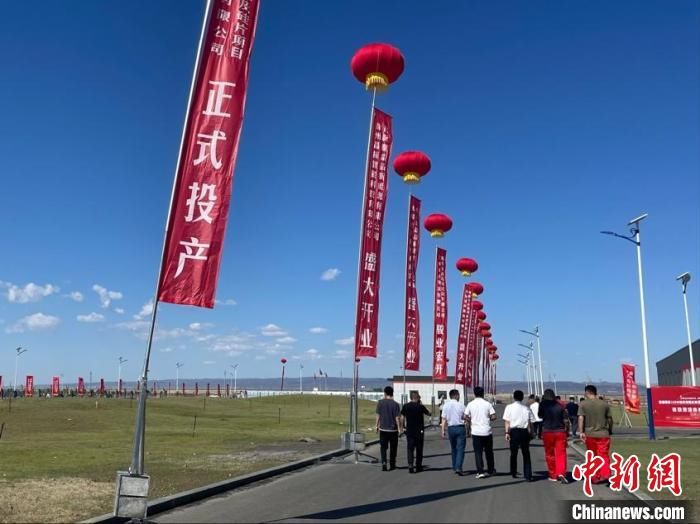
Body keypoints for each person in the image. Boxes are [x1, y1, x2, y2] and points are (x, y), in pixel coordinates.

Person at [578, 384, 613, 484]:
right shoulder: (604, 404)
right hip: (603, 433)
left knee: (592, 456)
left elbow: (581, 418)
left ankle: (595, 477)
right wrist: (610, 430)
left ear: (587, 392)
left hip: (590, 433)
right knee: (603, 454)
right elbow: (610, 419)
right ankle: (605, 473)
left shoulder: (583, 404)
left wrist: (581, 432)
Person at [538, 388, 570, 483]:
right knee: (561, 453)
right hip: (560, 431)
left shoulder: (543, 404)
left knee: (550, 454)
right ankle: (561, 473)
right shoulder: (561, 405)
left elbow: (540, 415)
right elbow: (566, 420)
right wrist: (567, 431)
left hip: (547, 431)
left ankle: (553, 474)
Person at [466, 386, 497, 478]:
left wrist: (471, 419)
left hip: (476, 432)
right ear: (483, 393)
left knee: (478, 452)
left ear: (475, 393)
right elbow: (494, 416)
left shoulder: (470, 404)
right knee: (489, 452)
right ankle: (491, 470)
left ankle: (480, 471)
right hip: (487, 431)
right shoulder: (487, 404)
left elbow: (465, 416)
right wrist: (488, 418)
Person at [503, 389, 534, 481]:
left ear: (514, 397)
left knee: (513, 453)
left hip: (514, 431)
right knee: (526, 454)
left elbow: (507, 421)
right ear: (522, 398)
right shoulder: (526, 408)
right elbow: (530, 422)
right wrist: (531, 433)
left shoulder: (509, 407)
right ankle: (528, 475)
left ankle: (513, 472)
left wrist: (507, 432)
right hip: (524, 432)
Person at [401, 391, 431, 474]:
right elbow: (429, 413)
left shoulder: (406, 406)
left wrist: (403, 427)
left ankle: (410, 464)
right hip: (419, 431)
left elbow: (402, 417)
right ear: (417, 398)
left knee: (410, 448)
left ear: (411, 397)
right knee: (419, 449)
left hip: (409, 430)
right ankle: (418, 466)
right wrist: (421, 404)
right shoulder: (420, 407)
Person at [441, 389, 467, 476]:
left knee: (453, 448)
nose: (459, 397)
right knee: (460, 448)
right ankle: (459, 466)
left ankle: (455, 466)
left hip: (451, 428)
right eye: (458, 395)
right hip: (460, 428)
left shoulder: (446, 405)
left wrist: (443, 430)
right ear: (456, 395)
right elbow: (465, 416)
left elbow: (443, 418)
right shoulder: (461, 405)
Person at [375, 386, 402, 471]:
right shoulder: (396, 404)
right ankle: (392, 463)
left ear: (385, 393)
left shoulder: (380, 403)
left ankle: (384, 462)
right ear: (392, 393)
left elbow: (378, 415)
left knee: (383, 447)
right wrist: (399, 428)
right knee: (393, 447)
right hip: (393, 430)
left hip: (383, 429)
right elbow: (397, 418)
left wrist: (376, 425)